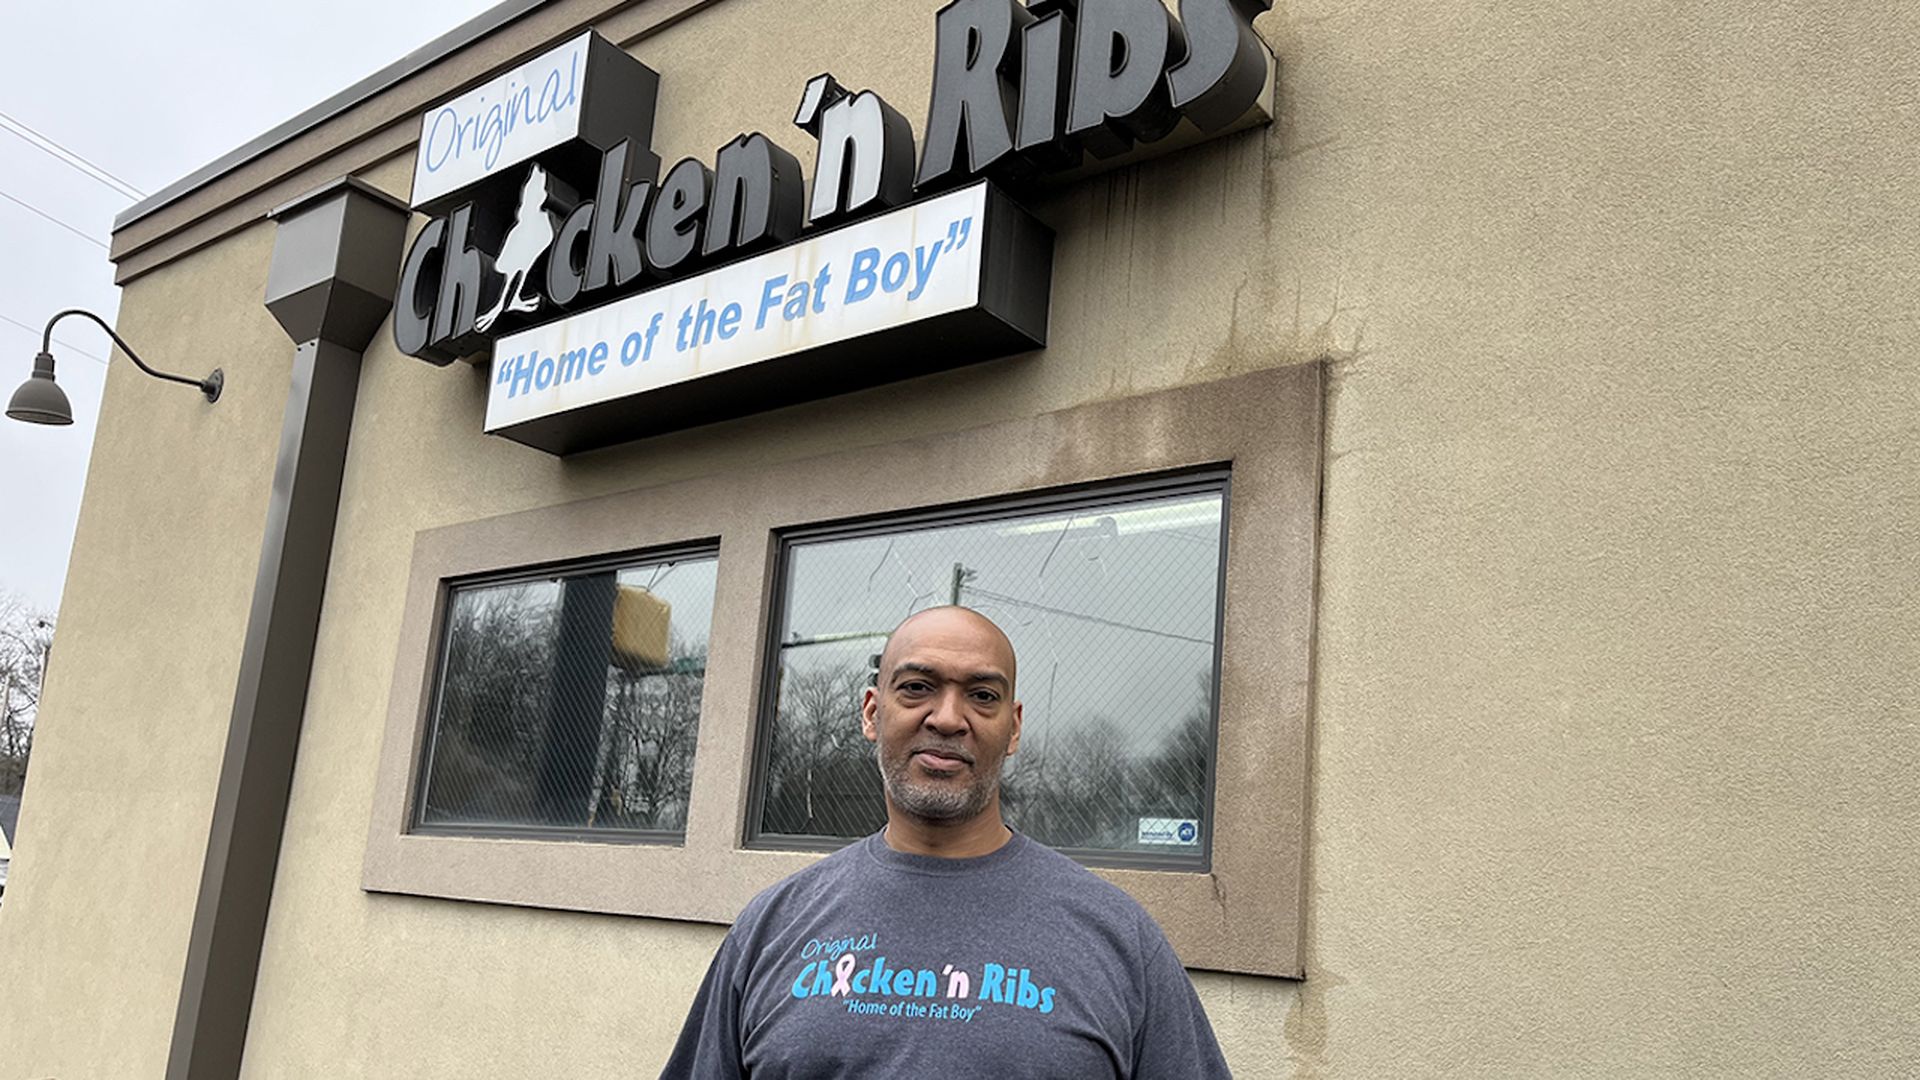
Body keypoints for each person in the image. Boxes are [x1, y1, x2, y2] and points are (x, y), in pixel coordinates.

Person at [660, 606, 1232, 1078]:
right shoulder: (772, 926)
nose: (948, 717)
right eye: (917, 688)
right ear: (871, 711)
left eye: (983, 696)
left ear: (1013, 728)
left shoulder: (1120, 938)